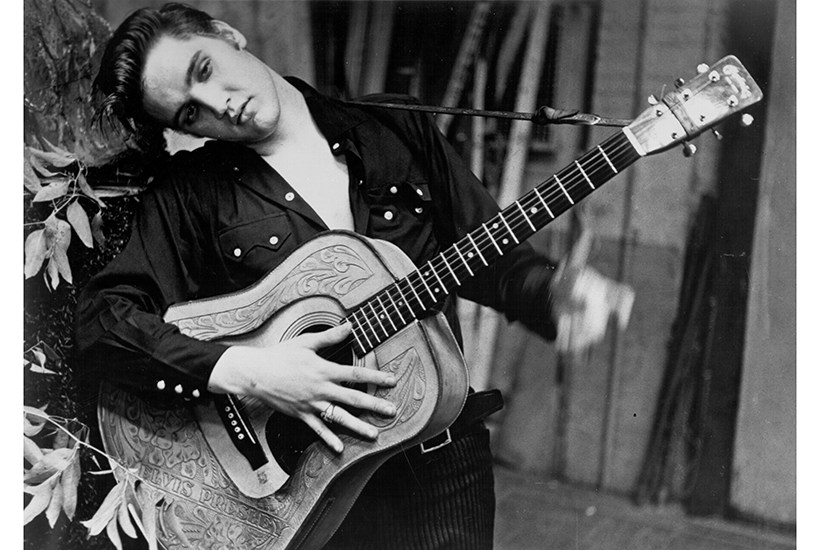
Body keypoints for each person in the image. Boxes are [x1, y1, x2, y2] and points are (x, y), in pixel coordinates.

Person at [76, 3, 622, 548]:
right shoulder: (191, 193)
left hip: (440, 462)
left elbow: (486, 255)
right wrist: (250, 372)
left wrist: (554, 292)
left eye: (204, 69)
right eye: (191, 115)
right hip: (311, 486)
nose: (221, 105)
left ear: (226, 34)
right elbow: (103, 322)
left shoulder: (395, 126)